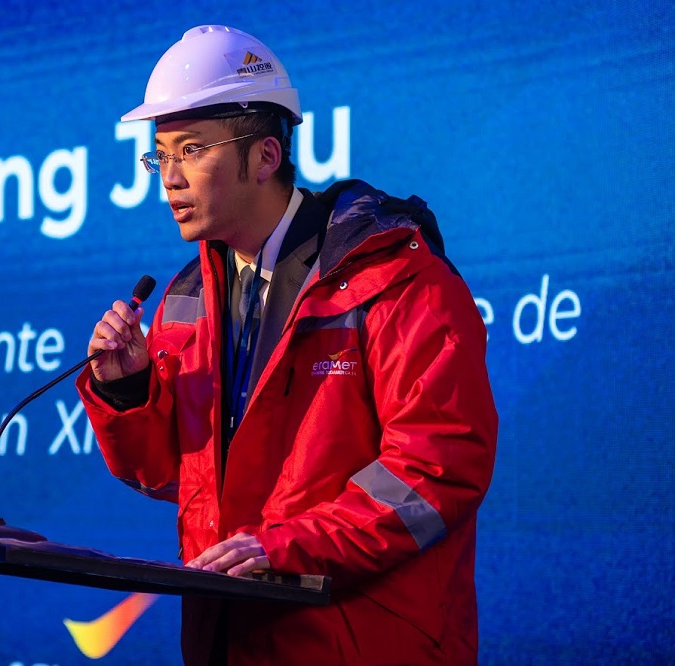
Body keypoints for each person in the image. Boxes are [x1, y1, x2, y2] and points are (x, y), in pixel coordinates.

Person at [77, 24, 497, 665]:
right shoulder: (188, 297)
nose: (169, 178)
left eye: (191, 150)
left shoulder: (395, 277)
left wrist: (286, 548)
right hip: (231, 642)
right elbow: (171, 475)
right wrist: (128, 389)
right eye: (159, 156)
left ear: (266, 156)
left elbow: (436, 469)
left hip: (360, 644)